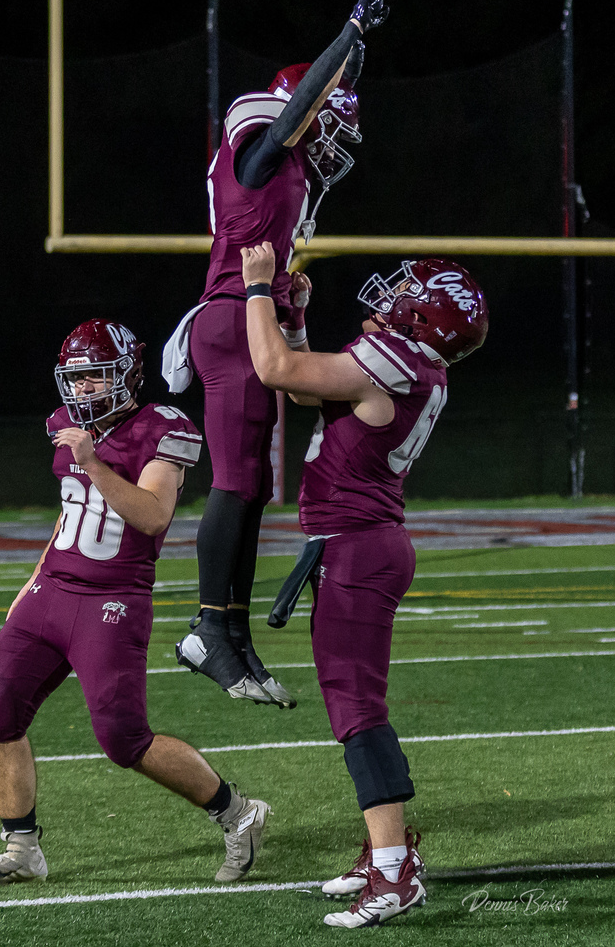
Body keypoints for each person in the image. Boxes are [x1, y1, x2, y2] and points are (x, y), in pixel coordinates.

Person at [0, 318, 270, 888]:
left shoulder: (161, 428)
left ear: (126, 375)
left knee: (122, 737)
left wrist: (95, 462)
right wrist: (29, 585)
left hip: (112, 601)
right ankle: (22, 847)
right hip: (51, 592)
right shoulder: (64, 424)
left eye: (97, 379)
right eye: (76, 380)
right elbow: (68, 515)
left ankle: (238, 812)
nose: (84, 391)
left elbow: (152, 516)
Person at [241, 243, 488, 928]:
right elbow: (301, 382)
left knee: (356, 710)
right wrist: (292, 315)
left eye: (407, 293)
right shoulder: (414, 368)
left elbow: (271, 370)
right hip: (360, 544)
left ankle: (391, 872)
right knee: (353, 705)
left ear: (424, 317)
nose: (389, 298)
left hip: (357, 549)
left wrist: (258, 289)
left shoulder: (397, 363)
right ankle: (382, 851)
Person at [164, 0, 390, 709]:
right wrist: (347, 30)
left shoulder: (286, 176)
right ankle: (206, 627)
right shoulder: (260, 156)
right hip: (231, 322)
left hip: (250, 320)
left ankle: (233, 633)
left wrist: (356, 55)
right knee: (233, 483)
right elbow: (290, 115)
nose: (331, 141)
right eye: (328, 122)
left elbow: (311, 109)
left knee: (255, 488)